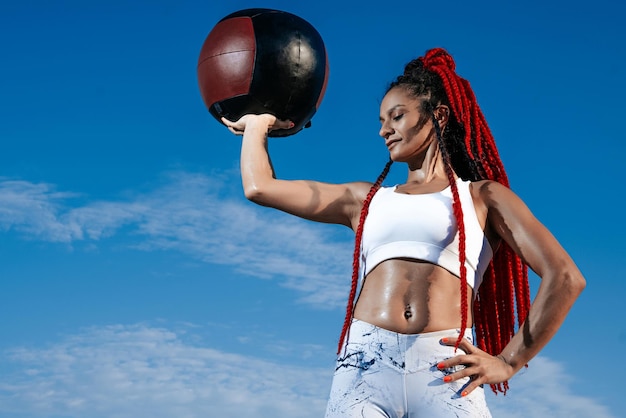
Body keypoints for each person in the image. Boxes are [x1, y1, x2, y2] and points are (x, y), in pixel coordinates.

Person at [221, 47, 585, 417]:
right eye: (381, 120)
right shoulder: (363, 199)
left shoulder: (483, 197)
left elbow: (566, 277)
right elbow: (260, 187)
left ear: (438, 116)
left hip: (446, 370)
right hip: (365, 366)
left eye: (397, 116)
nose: (384, 130)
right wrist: (257, 125)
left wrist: (508, 362)